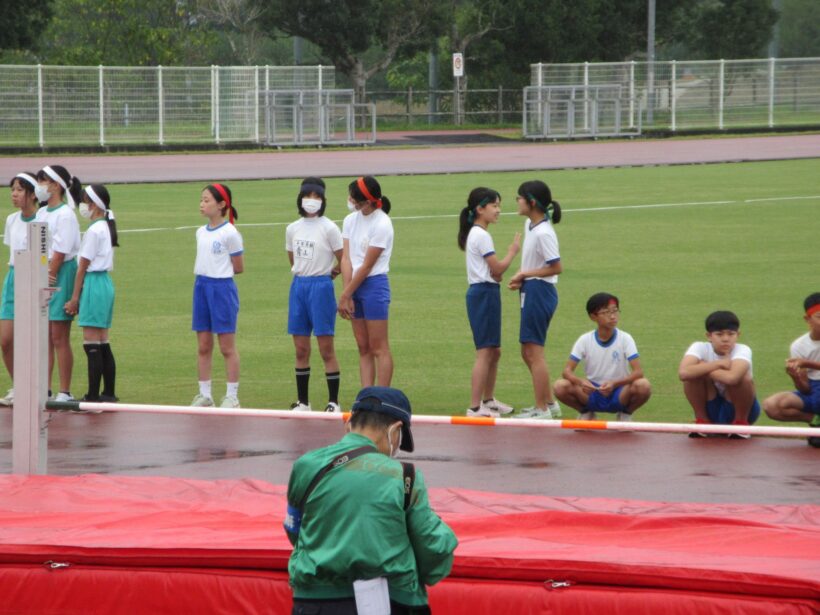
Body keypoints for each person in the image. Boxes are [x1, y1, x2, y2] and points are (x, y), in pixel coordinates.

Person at [284, 386, 458, 615]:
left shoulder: (306, 465)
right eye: (399, 441)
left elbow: (295, 529)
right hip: (391, 600)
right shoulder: (405, 477)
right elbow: (433, 547)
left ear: (349, 422)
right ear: (395, 430)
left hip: (314, 602)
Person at [457, 187, 520, 417]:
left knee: (495, 350)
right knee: (485, 351)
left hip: (487, 291)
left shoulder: (478, 233)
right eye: (494, 205)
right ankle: (475, 407)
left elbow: (493, 272)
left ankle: (488, 399)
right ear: (479, 209)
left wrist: (497, 274)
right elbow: (498, 268)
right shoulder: (481, 235)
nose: (498, 210)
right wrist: (512, 252)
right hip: (483, 294)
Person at [286, 177, 344, 413]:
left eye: (317, 196)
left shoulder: (329, 227)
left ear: (323, 200)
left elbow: (344, 257)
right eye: (308, 196)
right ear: (300, 198)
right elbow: (292, 258)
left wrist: (331, 274)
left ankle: (333, 401)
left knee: (325, 347)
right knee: (300, 348)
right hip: (299, 286)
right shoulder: (292, 228)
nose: (312, 200)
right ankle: (303, 401)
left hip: (321, 287)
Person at [508, 180, 563, 420]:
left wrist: (525, 273)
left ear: (531, 202)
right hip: (531, 290)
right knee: (527, 351)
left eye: (519, 197)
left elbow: (556, 267)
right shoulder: (531, 224)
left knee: (534, 352)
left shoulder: (543, 232)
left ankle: (542, 409)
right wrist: (523, 277)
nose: (517, 201)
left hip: (540, 292)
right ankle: (549, 403)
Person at [553, 293, 651, 421]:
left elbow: (638, 372)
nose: (612, 316)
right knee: (560, 386)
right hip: (592, 392)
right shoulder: (585, 340)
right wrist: (581, 382)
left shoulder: (625, 338)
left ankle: (626, 413)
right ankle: (586, 412)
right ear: (593, 316)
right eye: (606, 312)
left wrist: (615, 384)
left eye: (615, 311)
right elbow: (567, 371)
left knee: (643, 385)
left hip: (619, 392)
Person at [63, 184, 119, 402]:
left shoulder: (94, 230)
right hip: (104, 283)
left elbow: (82, 267)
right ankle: (108, 393)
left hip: (94, 284)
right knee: (103, 341)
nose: (83, 206)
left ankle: (93, 395)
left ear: (94, 204)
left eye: (85, 201)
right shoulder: (104, 225)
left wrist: (74, 298)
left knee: (91, 343)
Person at [191, 183, 243, 408]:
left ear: (222, 204)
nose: (202, 204)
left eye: (207, 200)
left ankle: (232, 396)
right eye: (201, 200)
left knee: (226, 346)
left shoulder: (230, 232)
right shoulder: (200, 232)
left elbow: (238, 266)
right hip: (201, 287)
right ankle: (205, 394)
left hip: (221, 289)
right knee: (203, 344)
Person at [338, 176, 394, 387]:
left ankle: (382, 397)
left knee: (379, 347)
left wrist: (345, 295)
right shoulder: (350, 220)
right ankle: (366, 396)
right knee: (363, 347)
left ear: (369, 201)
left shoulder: (382, 223)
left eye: (355, 199)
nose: (351, 201)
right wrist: (347, 291)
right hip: (353, 285)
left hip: (373, 285)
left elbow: (368, 265)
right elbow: (346, 257)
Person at [35, 164, 82, 402]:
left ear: (55, 185)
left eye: (43, 181)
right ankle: (45, 387)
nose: (39, 185)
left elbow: (61, 252)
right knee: (43, 336)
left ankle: (64, 391)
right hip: (43, 272)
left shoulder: (66, 215)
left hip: (61, 273)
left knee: (58, 335)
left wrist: (49, 276)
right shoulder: (42, 213)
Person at [678, 310, 760, 438]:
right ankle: (702, 421)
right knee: (691, 377)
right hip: (712, 406)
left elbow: (732, 378)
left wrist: (703, 368)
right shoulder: (699, 347)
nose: (726, 339)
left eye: (731, 334)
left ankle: (740, 424)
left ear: (738, 334)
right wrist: (718, 364)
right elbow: (683, 373)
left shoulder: (742, 349)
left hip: (741, 408)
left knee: (744, 378)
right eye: (719, 334)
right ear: (709, 336)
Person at [0, 172, 40, 406]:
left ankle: (36, 387)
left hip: (33, 278)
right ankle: (19, 386)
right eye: (12, 189)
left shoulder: (41, 221)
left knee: (32, 339)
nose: (14, 194)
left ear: (33, 194)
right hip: (14, 277)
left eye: (19, 190)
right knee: (5, 340)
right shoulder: (12, 219)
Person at [762, 293, 820, 448]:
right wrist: (795, 377)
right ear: (807, 320)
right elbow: (806, 389)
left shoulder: (804, 358)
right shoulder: (799, 346)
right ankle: (816, 422)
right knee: (772, 405)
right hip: (815, 391)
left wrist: (806, 363)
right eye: (819, 317)